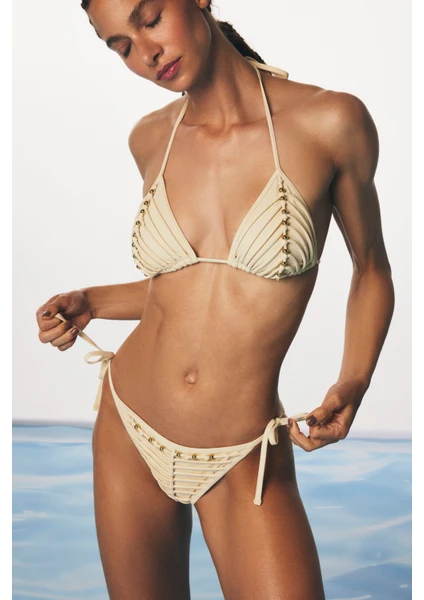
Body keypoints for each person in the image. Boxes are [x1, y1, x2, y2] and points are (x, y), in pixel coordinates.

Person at [35, 0, 395, 598]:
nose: (145, 53)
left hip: (243, 451)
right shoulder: (151, 138)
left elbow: (372, 269)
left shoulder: (330, 122)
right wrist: (91, 300)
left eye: (150, 19)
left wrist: (353, 381)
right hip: (130, 426)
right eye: (121, 46)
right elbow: (188, 292)